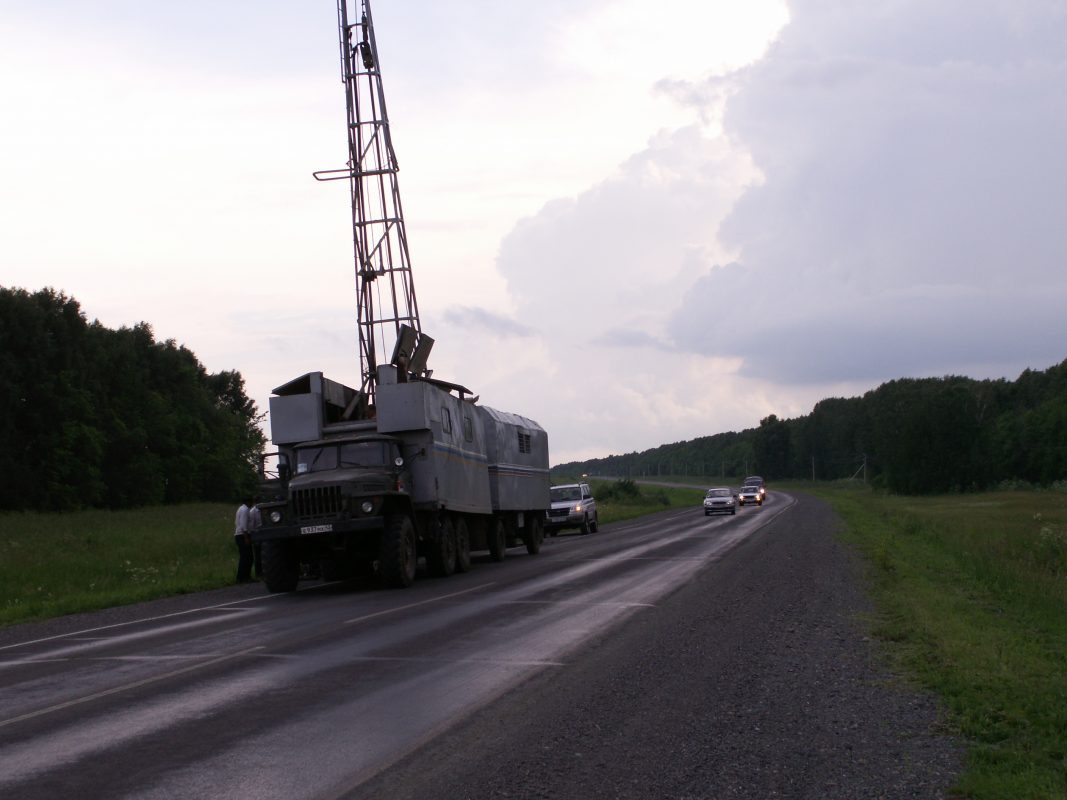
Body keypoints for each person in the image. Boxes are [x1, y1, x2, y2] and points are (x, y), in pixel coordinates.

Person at [234, 498, 255, 583]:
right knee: (246, 557)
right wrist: (246, 537)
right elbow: (244, 525)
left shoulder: (242, 509)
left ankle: (245, 576)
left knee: (247, 556)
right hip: (242, 535)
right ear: (248, 502)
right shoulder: (245, 510)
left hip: (241, 534)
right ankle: (243, 577)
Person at [249, 500, 263, 579]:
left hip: (264, 531)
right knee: (257, 554)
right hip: (257, 532)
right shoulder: (253, 512)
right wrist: (255, 539)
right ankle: (258, 573)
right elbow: (252, 526)